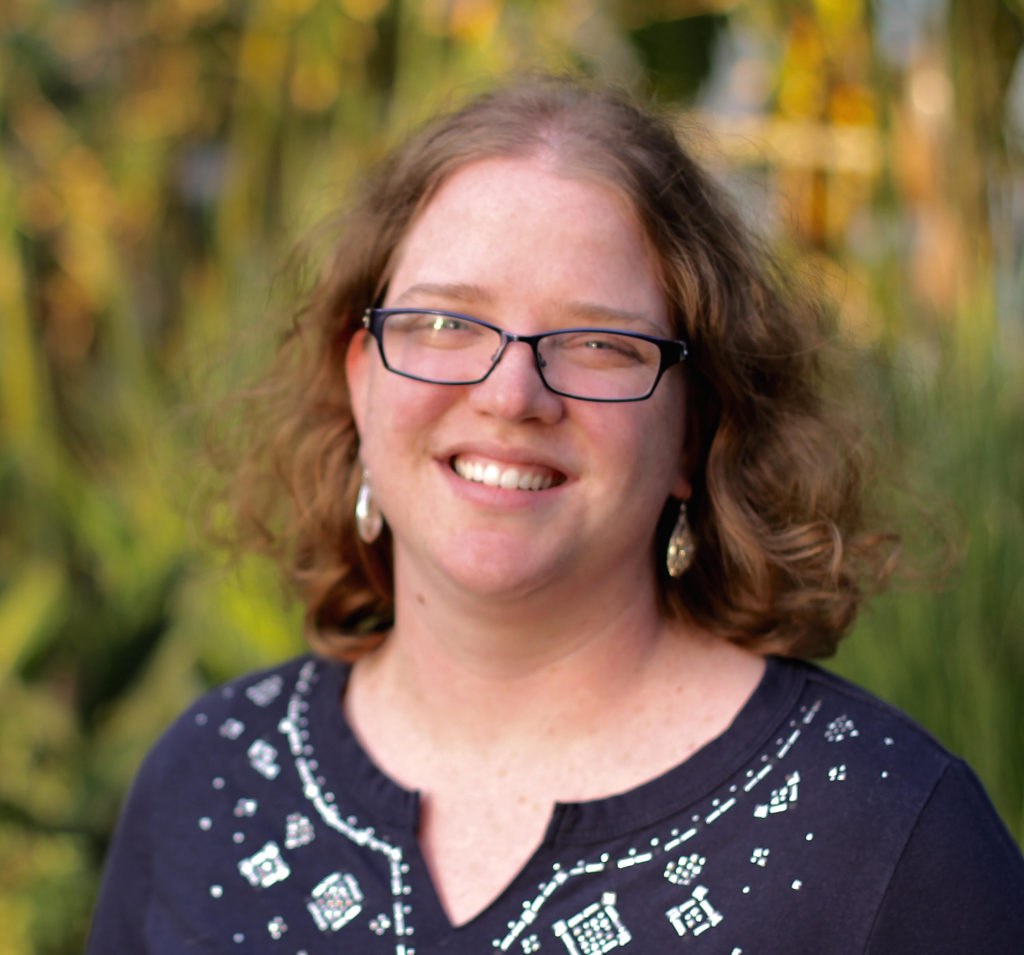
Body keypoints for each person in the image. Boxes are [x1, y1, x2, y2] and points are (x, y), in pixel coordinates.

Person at [87, 75, 1024, 953]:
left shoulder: (886, 837)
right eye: (447, 322)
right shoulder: (210, 785)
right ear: (359, 374)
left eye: (597, 342)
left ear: (695, 427)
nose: (512, 395)